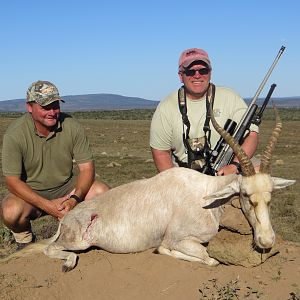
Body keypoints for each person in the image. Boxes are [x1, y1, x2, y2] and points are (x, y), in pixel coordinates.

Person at [1, 80, 110, 249]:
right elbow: (12, 182)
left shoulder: (72, 126)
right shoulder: (15, 135)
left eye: (55, 105)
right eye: (45, 107)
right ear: (29, 107)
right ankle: (24, 242)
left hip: (67, 188)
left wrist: (74, 199)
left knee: (103, 192)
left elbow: (87, 169)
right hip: (31, 194)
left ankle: (88, 235)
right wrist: (48, 206)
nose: (52, 112)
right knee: (10, 211)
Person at [150, 48, 259, 174]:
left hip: (227, 166)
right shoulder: (166, 107)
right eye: (190, 72)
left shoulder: (230, 97)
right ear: (181, 76)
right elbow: (160, 152)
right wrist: (173, 184)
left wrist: (235, 166)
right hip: (185, 174)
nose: (197, 75)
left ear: (210, 73)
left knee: (259, 171)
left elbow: (252, 134)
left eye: (203, 70)